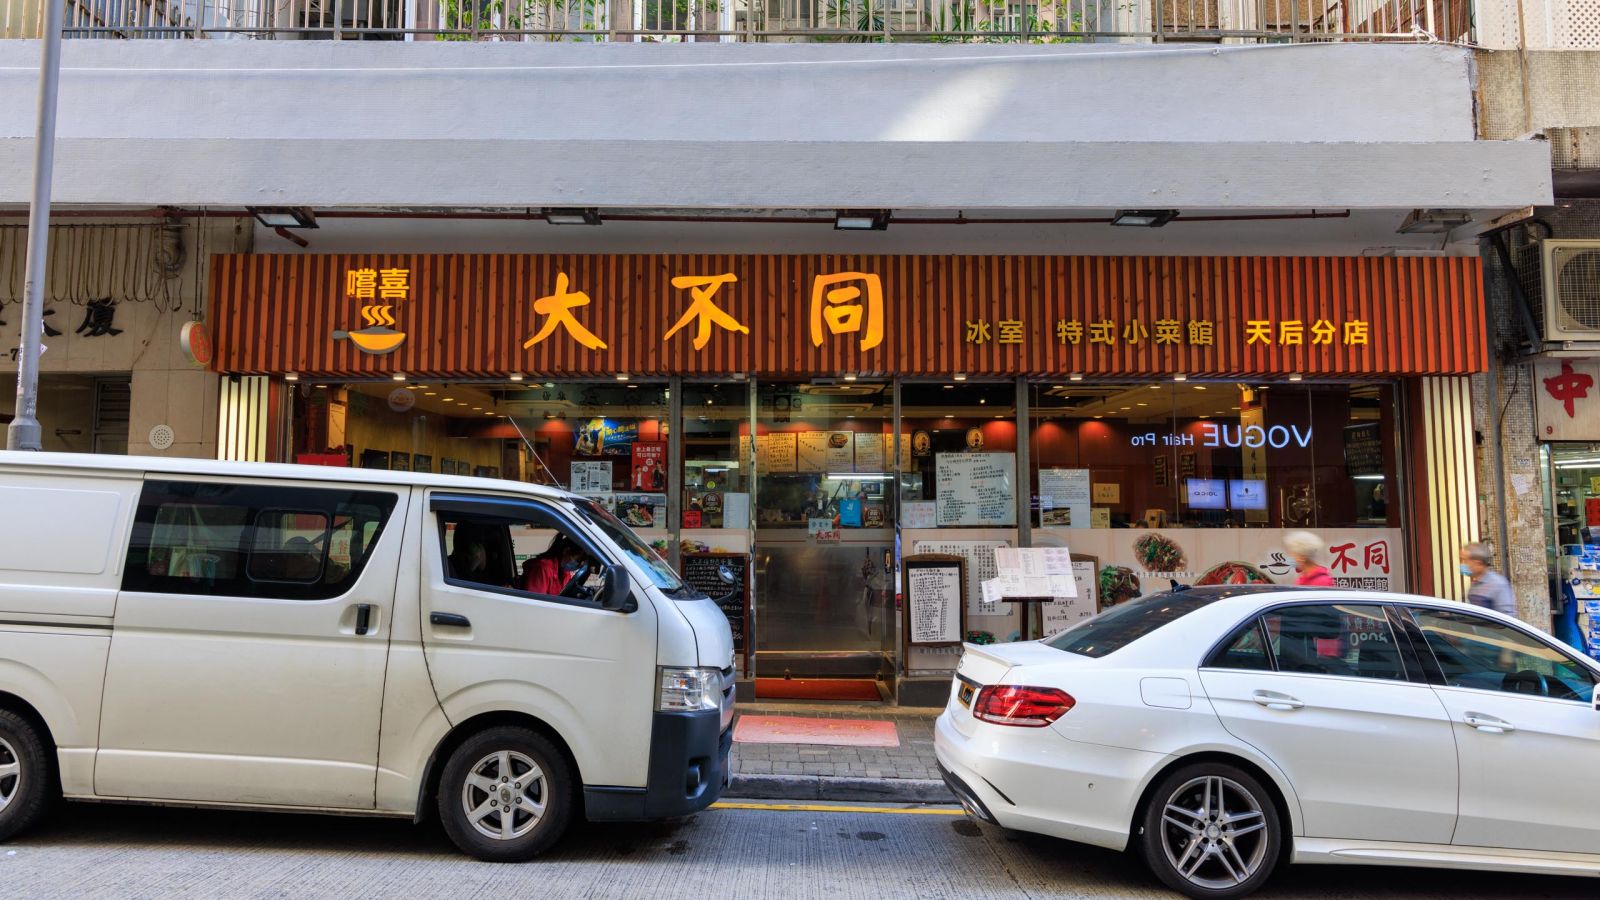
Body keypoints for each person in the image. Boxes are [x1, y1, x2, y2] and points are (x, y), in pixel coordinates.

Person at [1461, 542, 1517, 617]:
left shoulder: (1498, 584)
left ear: (1478, 563)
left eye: (1465, 561)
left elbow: (1507, 619)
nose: (1462, 564)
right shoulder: (1475, 584)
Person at [522, 537, 589, 595]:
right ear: (566, 551)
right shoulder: (542, 568)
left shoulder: (565, 572)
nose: (578, 565)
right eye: (578, 560)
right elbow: (535, 603)